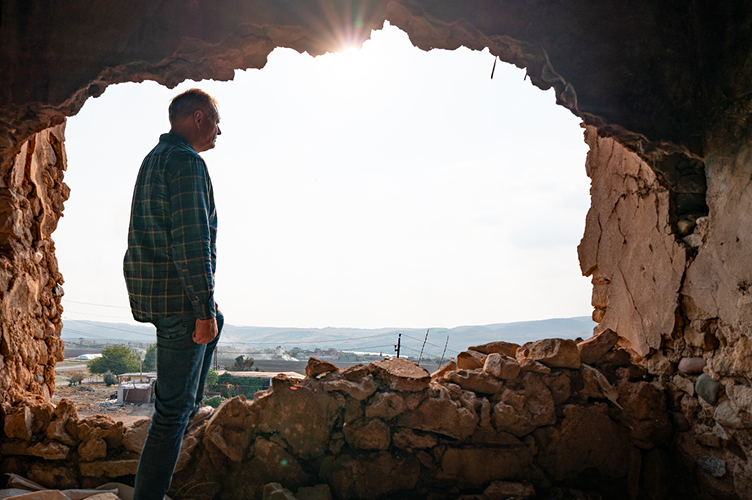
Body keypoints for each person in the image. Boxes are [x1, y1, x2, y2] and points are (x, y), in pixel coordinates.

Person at [123, 88, 223, 500]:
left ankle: (186, 409)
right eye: (217, 121)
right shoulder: (186, 163)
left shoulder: (154, 159)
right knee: (169, 417)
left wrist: (209, 310)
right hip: (180, 302)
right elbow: (191, 240)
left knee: (217, 323)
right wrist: (201, 308)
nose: (221, 130)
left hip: (159, 295)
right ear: (198, 118)